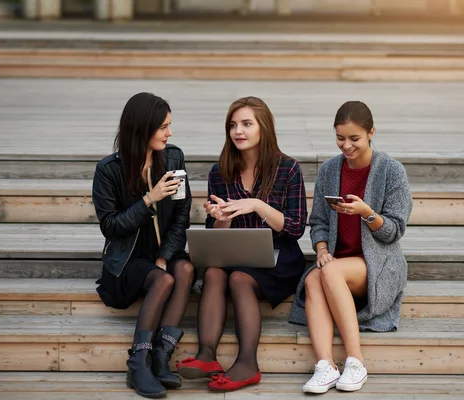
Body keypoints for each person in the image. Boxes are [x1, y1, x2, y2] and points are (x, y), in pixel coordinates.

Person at [176, 96, 307, 392]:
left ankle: (247, 362)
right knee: (212, 272)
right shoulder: (219, 172)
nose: (239, 131)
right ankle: (207, 355)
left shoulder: (288, 169)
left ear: (264, 129)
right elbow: (217, 234)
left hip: (278, 257)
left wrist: (258, 205)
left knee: (238, 278)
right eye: (233, 125)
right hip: (237, 252)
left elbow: (296, 227)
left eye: (247, 124)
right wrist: (222, 217)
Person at [289, 101, 413, 394]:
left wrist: (367, 213)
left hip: (380, 265)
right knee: (314, 278)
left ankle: (356, 361)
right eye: (340, 137)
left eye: (354, 138)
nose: (346, 145)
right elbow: (318, 221)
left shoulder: (391, 171)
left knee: (328, 273)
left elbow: (394, 232)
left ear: (371, 133)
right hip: (338, 264)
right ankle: (325, 366)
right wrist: (321, 250)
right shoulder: (331, 169)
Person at [92, 92, 196, 398]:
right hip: (127, 262)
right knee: (163, 279)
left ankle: (160, 355)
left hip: (163, 254)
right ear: (141, 129)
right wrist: (150, 199)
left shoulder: (173, 158)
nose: (169, 133)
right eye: (163, 127)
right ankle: (137, 363)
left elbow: (181, 216)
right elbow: (110, 227)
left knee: (185, 269)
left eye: (169, 126)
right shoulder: (109, 170)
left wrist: (165, 255)